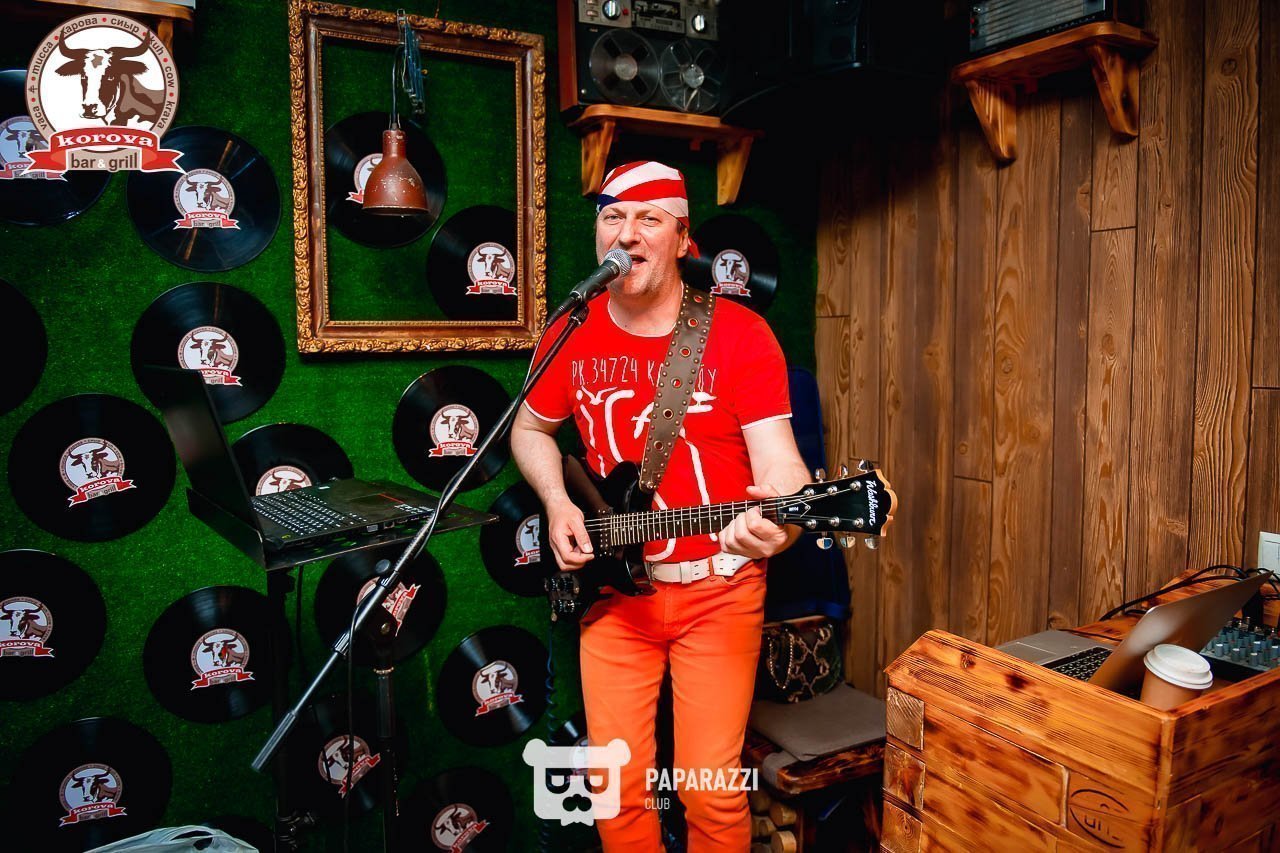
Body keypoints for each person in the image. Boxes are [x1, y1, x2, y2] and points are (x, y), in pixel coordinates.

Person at [510, 160, 809, 851]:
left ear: (682, 239)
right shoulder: (571, 330)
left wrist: (786, 519)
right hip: (614, 596)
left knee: (712, 793)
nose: (628, 233)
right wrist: (556, 502)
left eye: (649, 218)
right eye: (613, 217)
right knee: (615, 792)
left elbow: (782, 467)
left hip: (720, 593)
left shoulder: (739, 333)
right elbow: (528, 429)